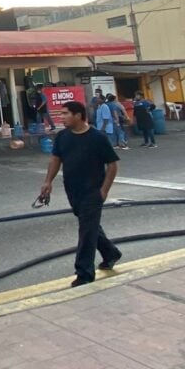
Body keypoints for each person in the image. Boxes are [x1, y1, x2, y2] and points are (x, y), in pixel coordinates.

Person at [38, 101, 121, 287]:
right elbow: (55, 159)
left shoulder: (97, 138)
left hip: (93, 192)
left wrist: (103, 192)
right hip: (73, 191)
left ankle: (84, 273)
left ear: (78, 115)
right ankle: (111, 253)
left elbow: (113, 165)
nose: (62, 117)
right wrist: (48, 182)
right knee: (90, 227)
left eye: (66, 113)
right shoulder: (62, 137)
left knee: (86, 231)